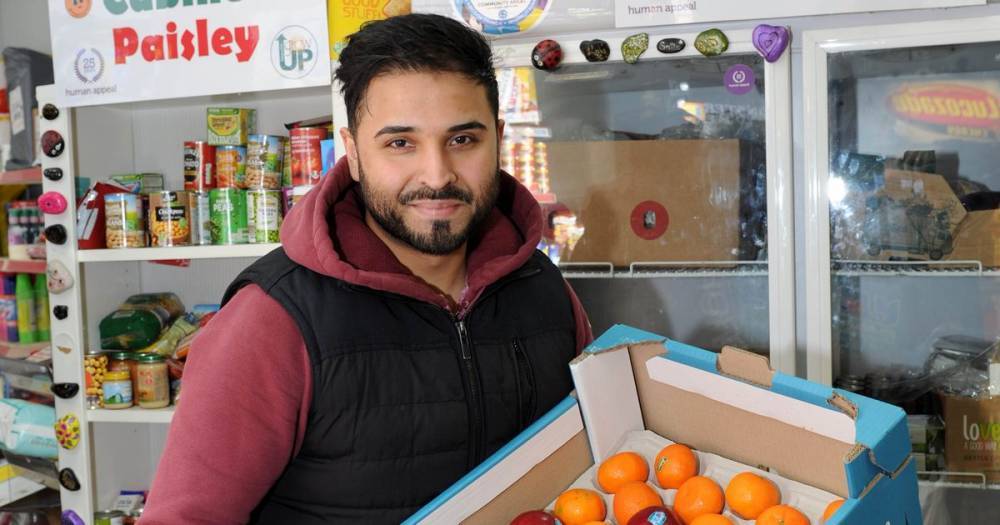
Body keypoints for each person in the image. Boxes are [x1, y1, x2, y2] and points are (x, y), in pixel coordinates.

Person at [142, 13, 591, 524]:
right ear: (353, 154)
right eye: (400, 143)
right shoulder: (273, 320)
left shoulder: (544, 289)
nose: (437, 174)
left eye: (463, 139)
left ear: (498, 139)